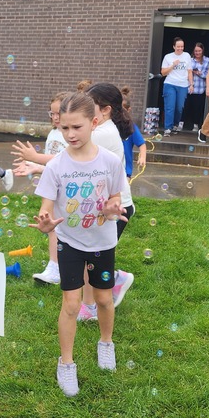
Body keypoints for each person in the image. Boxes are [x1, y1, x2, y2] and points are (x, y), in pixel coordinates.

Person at [31, 92, 128, 397]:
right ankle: (67, 364)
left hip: (102, 242)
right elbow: (46, 207)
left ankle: (106, 343)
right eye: (64, 128)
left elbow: (115, 197)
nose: (70, 134)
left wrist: (113, 208)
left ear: (94, 122)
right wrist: (46, 222)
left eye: (77, 127)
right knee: (71, 305)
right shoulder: (56, 166)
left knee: (103, 300)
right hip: (70, 243)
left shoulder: (110, 162)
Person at [77, 82, 136, 321]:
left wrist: (37, 159)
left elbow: (74, 157)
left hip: (116, 208)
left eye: (91, 107)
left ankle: (112, 283)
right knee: (88, 257)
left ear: (106, 109)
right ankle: (91, 303)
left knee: (90, 259)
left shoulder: (104, 133)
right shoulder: (103, 129)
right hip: (109, 206)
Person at [11, 91, 72, 284]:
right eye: (51, 114)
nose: (54, 117)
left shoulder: (70, 136)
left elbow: (67, 162)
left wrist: (36, 161)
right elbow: (53, 165)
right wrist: (37, 168)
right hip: (55, 189)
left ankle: (64, 266)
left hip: (69, 191)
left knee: (66, 230)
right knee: (53, 226)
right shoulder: (54, 133)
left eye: (58, 113)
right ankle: (54, 267)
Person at [160, 37, 193, 135]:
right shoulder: (168, 57)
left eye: (182, 46)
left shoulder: (187, 56)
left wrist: (191, 84)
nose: (180, 48)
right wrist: (172, 66)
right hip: (170, 83)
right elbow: (163, 73)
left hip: (183, 85)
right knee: (170, 106)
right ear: (174, 46)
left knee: (179, 107)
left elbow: (189, 71)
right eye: (178, 46)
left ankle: (175, 124)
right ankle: (167, 128)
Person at [121, 88, 148, 179]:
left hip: (125, 170)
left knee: (123, 193)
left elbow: (142, 144)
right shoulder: (110, 125)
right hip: (111, 169)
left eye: (123, 110)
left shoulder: (131, 127)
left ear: (128, 110)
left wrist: (142, 157)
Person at [182, 43, 209, 131]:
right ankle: (180, 124)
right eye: (196, 51)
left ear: (202, 51)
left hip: (200, 89)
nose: (197, 53)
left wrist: (199, 73)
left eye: (199, 51)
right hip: (187, 88)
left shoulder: (207, 60)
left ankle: (195, 125)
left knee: (197, 108)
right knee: (184, 107)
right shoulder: (189, 60)